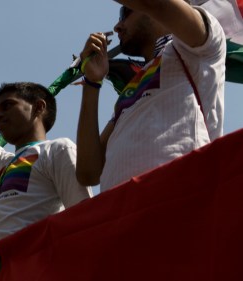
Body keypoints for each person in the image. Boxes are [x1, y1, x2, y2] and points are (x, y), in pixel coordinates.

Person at [0, 25, 92, 271]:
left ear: (38, 108)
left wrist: (4, 246)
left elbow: (84, 220)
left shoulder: (58, 151)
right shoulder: (2, 164)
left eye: (7, 106)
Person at [75, 0, 226, 191]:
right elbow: (88, 172)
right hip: (121, 211)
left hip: (180, 194)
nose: (117, 26)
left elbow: (157, 5)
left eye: (125, 13)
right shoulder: (132, 87)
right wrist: (92, 82)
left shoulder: (197, 43)